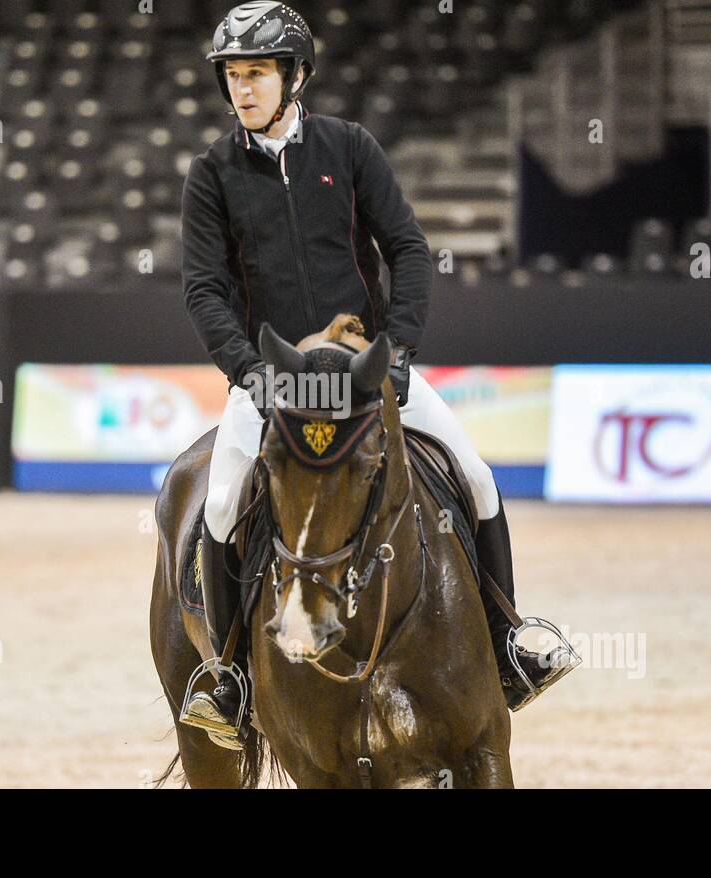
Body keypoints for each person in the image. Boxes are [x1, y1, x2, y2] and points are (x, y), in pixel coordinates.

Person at [178, 1, 573, 750]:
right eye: (233, 75)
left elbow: (409, 251)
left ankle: (508, 644)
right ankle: (229, 680)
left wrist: (396, 354)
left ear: (294, 75)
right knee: (223, 502)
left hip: (365, 373)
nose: (242, 89)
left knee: (476, 475)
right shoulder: (212, 174)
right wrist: (249, 374)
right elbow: (203, 289)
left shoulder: (349, 147)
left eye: (256, 72)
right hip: (273, 381)